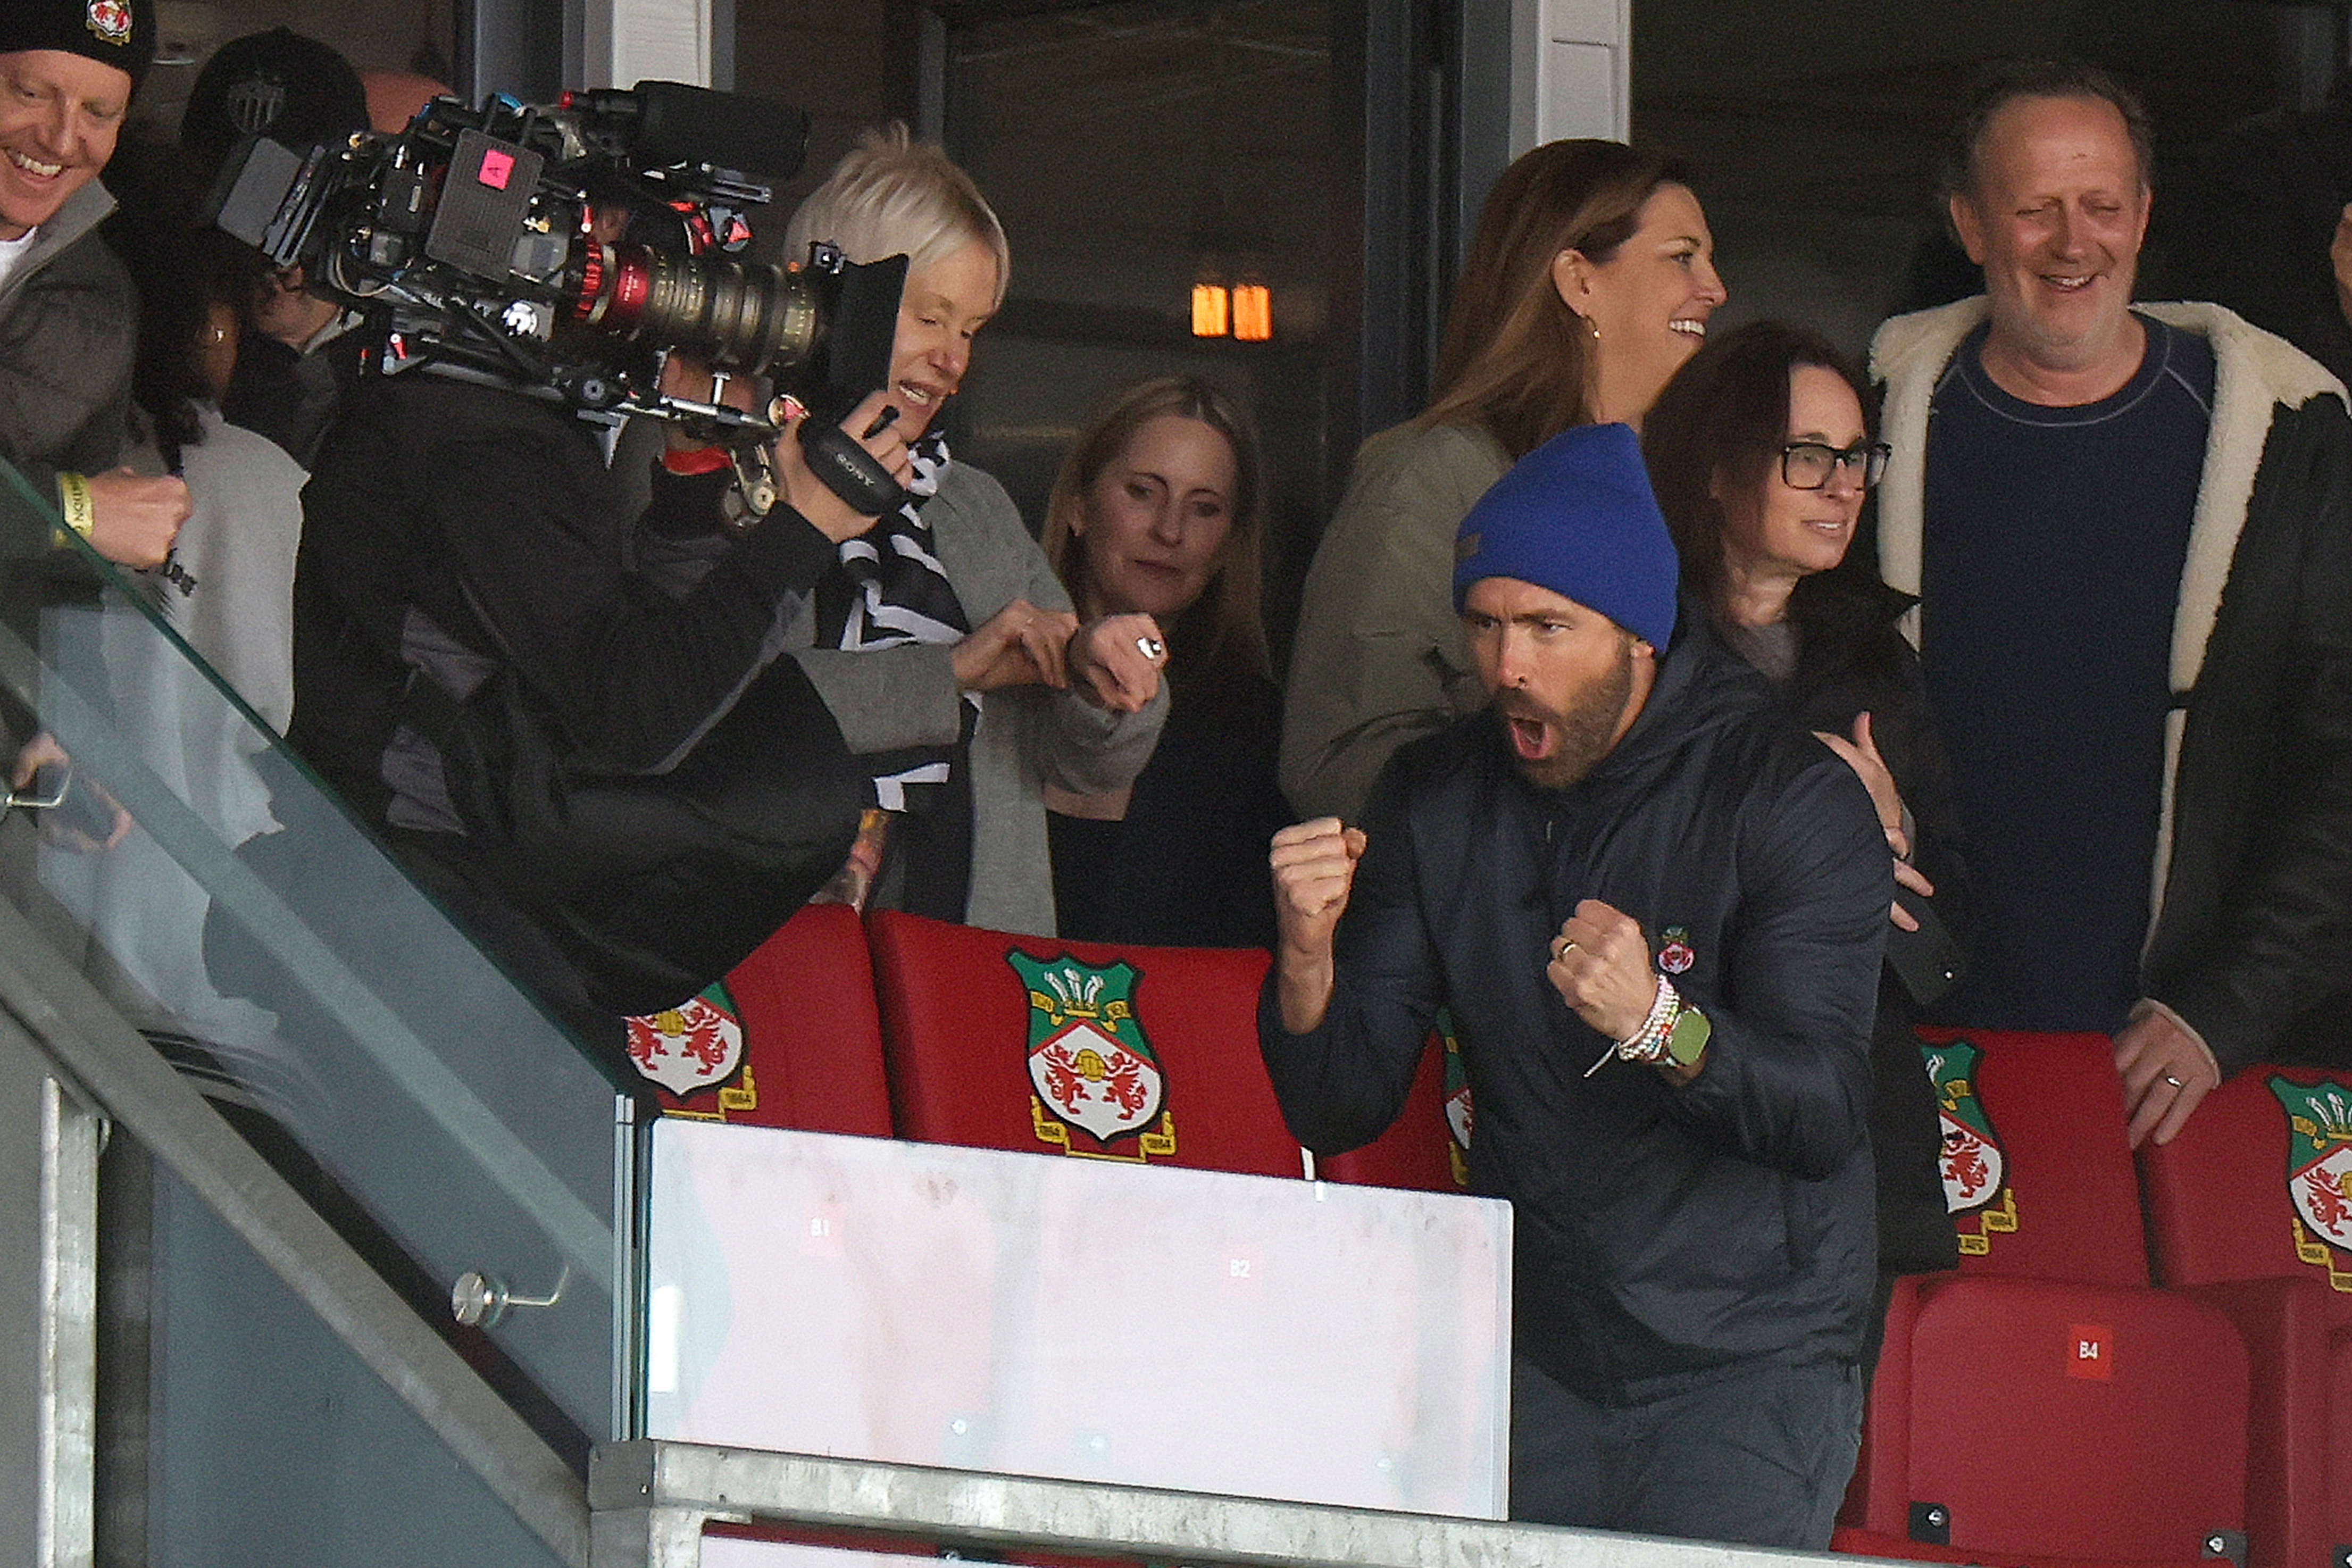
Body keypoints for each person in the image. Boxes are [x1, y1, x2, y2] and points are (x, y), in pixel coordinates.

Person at [1260, 422, 1884, 1548]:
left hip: (1750, 1360)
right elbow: (1338, 1103)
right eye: (1485, 624)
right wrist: (1306, 956)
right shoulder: (1437, 792)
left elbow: (1821, 1111)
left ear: (1638, 632)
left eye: (1549, 627)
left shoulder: (1784, 792)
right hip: (1540, 1348)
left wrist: (1660, 1023)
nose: (1508, 667)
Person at [1870, 60, 2352, 1150]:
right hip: (1918, 1055)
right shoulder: (1871, 430)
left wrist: (2222, 1014)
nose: (2071, 242)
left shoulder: (2290, 440)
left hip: (2190, 1079)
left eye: (2100, 205)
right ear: (1968, 224)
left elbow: (2341, 773)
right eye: (2033, 209)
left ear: (2142, 215)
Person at [773, 126, 1168, 935]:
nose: (953, 359)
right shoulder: (724, 470)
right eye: (930, 318)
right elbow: (719, 715)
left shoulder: (974, 505)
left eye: (971, 330)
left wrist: (1099, 676)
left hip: (963, 951)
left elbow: (1081, 763)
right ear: (832, 297)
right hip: (757, 948)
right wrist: (952, 671)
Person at [1643, 319, 1963, 1314]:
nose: (1843, 486)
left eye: (1857, 456)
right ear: (1714, 469)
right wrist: (1808, 839)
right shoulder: (1633, 644)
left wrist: (1894, 832)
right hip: (1668, 1120)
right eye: (1808, 455)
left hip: (1854, 1130)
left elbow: (1952, 926)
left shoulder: (1875, 654)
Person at [1280, 138, 1725, 823]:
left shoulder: (1678, 486)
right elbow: (1340, 758)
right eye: (1682, 257)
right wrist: (1559, 814)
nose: (1715, 288)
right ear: (1579, 281)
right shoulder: (1435, 473)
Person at [1040, 374, 1287, 949]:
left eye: (1204, 509)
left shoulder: (1249, 730)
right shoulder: (999, 680)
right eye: (1143, 492)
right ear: (1079, 505)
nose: (1169, 530)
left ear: (1228, 544)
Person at [0, 0, 187, 573]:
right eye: (32, 93)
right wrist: (68, 513)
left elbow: (73, 587)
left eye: (99, 113)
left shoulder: (102, 296)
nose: (62, 141)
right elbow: (88, 519)